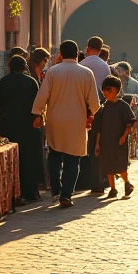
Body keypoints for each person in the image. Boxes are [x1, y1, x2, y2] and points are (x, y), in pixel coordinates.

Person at [31, 40, 100, 207]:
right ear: (77, 53)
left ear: (61, 54)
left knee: (54, 154)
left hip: (55, 119)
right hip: (76, 121)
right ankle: (66, 194)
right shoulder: (86, 73)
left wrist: (37, 114)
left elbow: (42, 95)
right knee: (73, 159)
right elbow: (94, 102)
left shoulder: (53, 72)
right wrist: (92, 114)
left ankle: (56, 189)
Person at [0, 55, 44, 203]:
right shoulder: (31, 82)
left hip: (7, 126)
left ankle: (10, 193)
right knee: (28, 159)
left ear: (10, 67)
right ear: (24, 67)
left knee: (9, 159)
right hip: (28, 126)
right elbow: (37, 103)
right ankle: (29, 192)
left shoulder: (4, 81)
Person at [77, 36, 112, 195]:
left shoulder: (82, 64)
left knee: (83, 144)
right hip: (100, 108)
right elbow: (107, 88)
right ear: (100, 48)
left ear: (88, 47)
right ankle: (99, 181)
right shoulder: (104, 66)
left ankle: (82, 180)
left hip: (83, 108)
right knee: (98, 145)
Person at [93, 75, 136, 198]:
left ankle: (127, 183)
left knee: (121, 164)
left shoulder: (123, 106)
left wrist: (124, 136)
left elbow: (129, 123)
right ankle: (113, 188)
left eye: (109, 90)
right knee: (108, 166)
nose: (106, 93)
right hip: (106, 141)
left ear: (117, 90)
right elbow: (99, 128)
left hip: (119, 141)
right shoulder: (103, 108)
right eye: (104, 90)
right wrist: (97, 143)